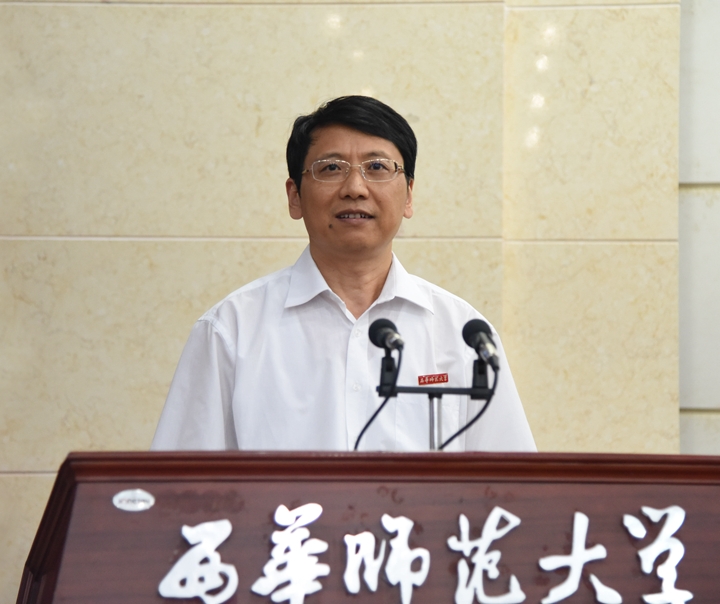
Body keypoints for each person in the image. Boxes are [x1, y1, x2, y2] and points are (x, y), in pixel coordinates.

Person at [151, 96, 535, 452]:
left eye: (377, 167)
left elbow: (512, 486)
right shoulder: (232, 330)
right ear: (295, 196)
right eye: (331, 168)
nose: (355, 188)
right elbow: (180, 486)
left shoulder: (464, 334)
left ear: (409, 195)